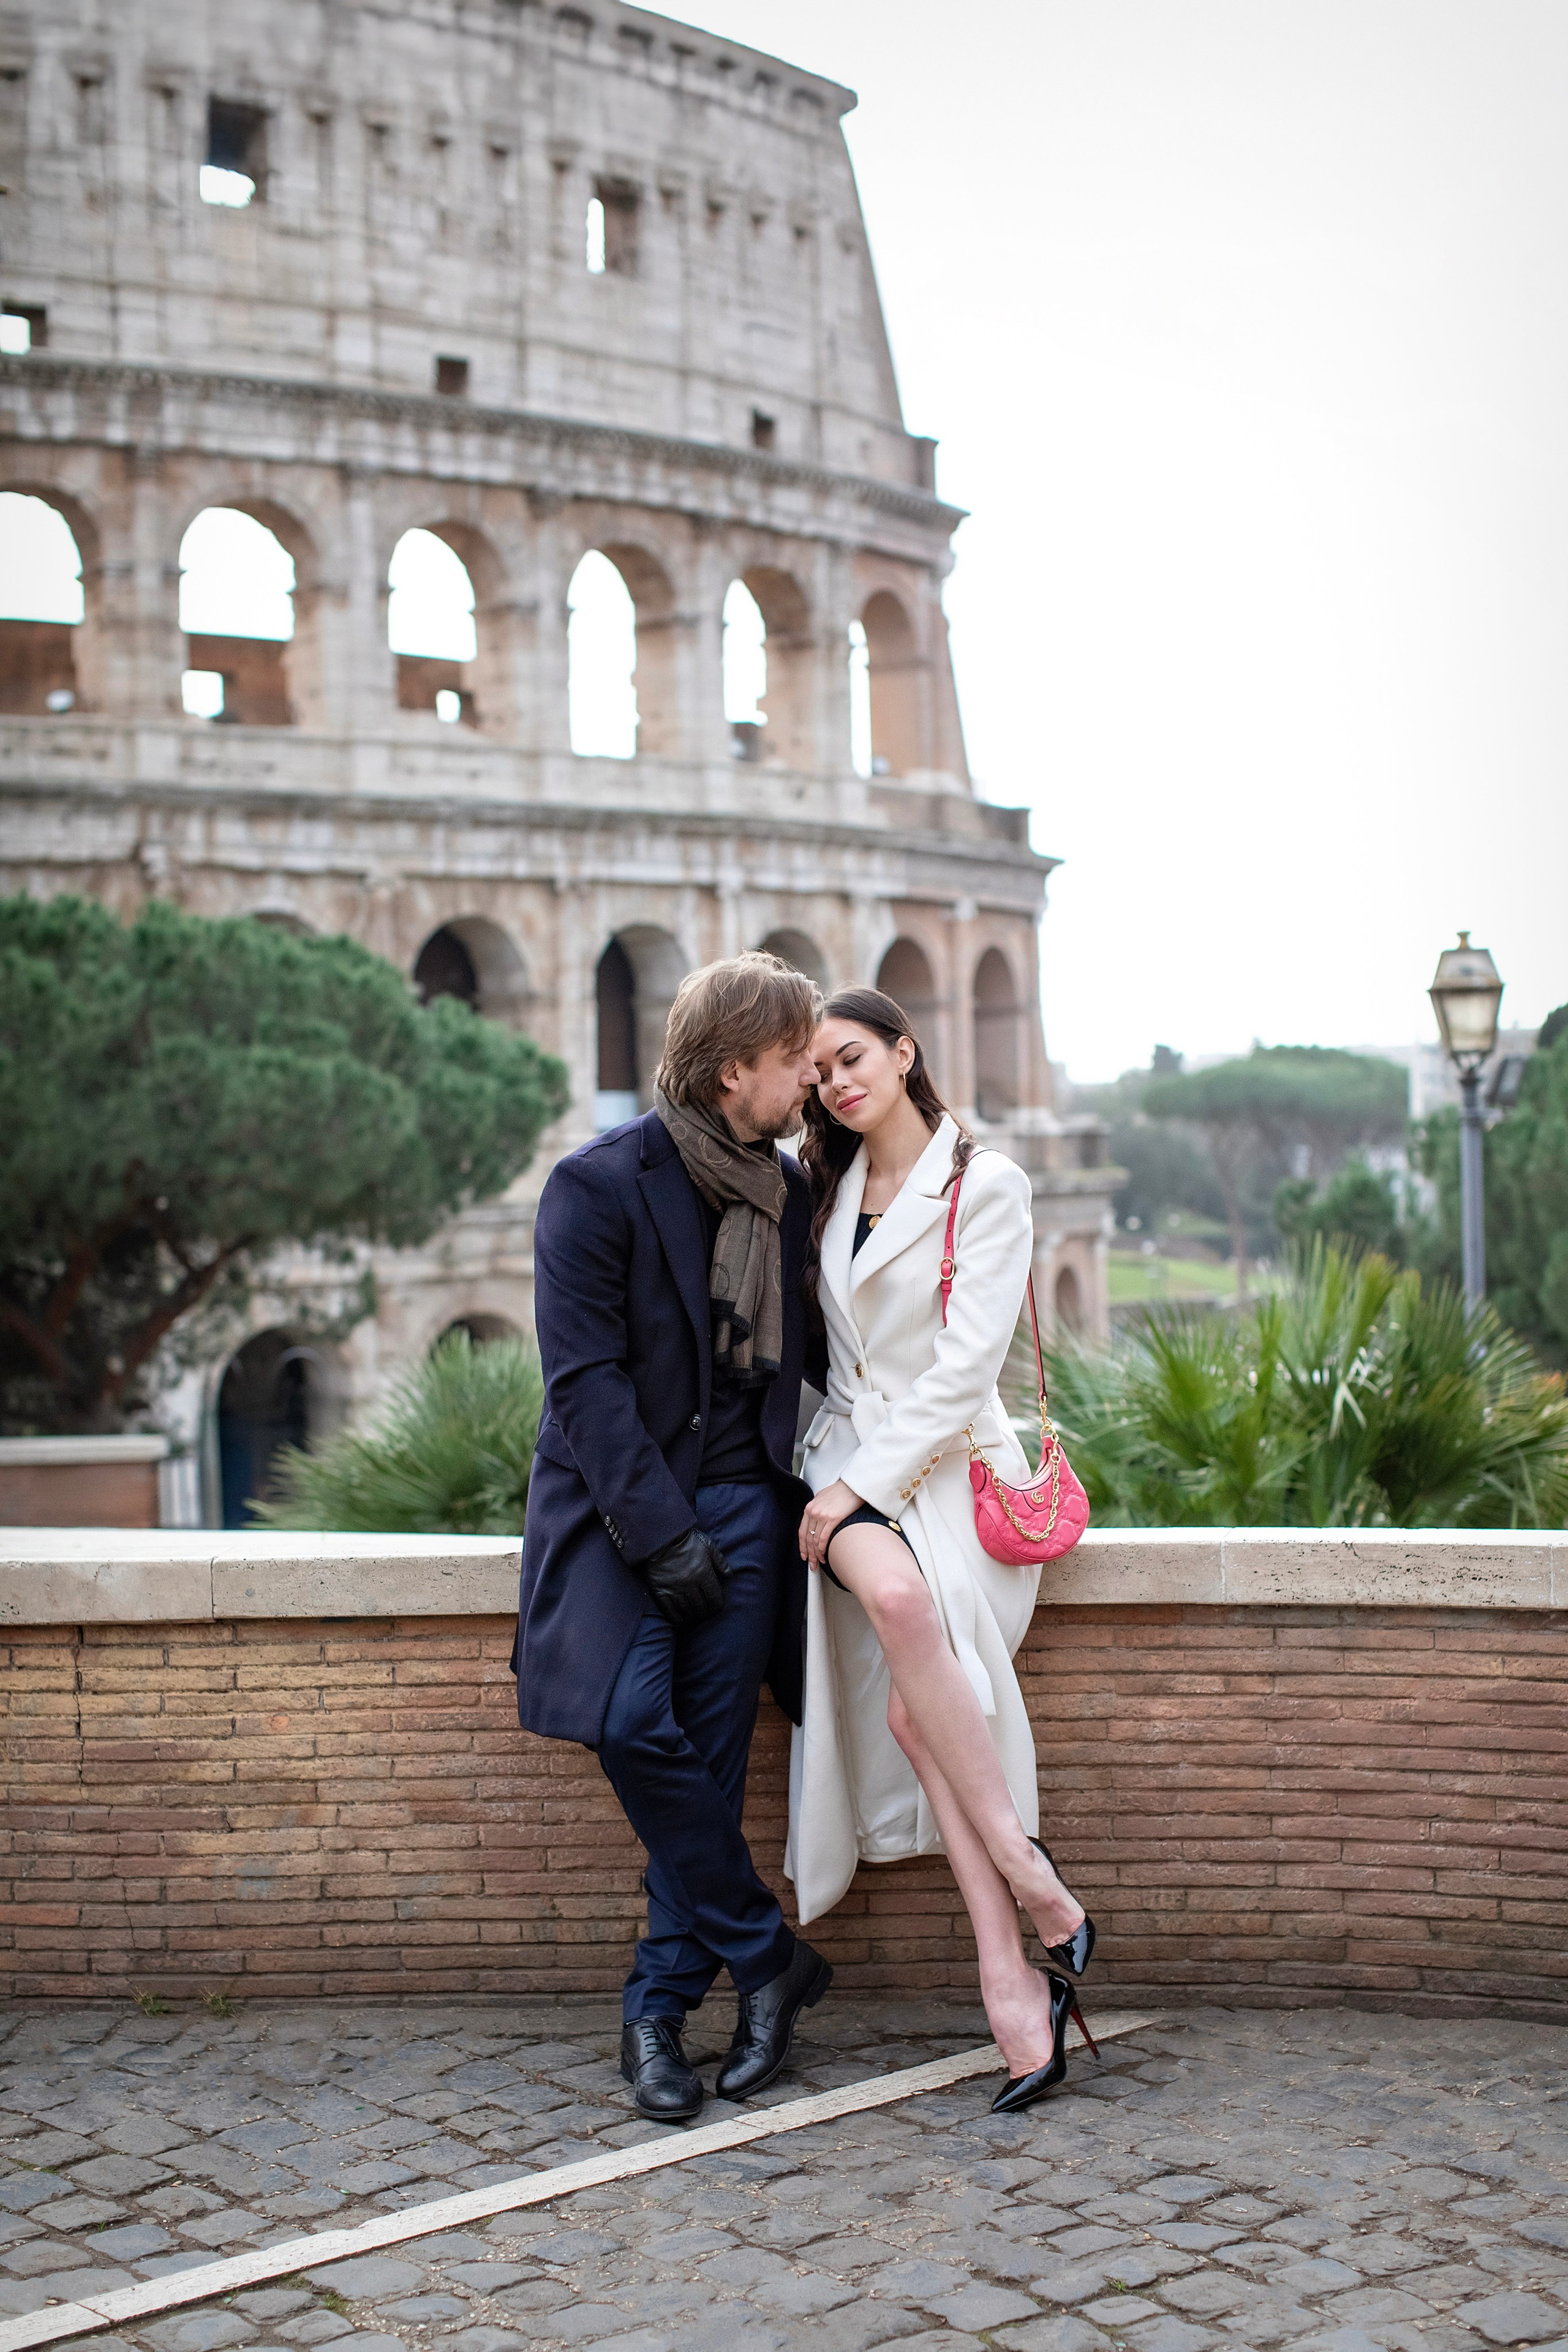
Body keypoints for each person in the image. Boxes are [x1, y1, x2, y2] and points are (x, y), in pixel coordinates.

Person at [514, 952, 834, 2124]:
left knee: (704, 1757)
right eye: (793, 1058)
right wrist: (658, 1535)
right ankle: (768, 1959)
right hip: (617, 1509)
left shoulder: (791, 1190)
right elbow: (585, 1384)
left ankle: (656, 2013)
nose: (808, 1077)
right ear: (729, 1069)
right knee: (630, 1722)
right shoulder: (595, 1186)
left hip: (748, 1500)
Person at [788, 987, 1097, 2113]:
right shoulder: (823, 1187)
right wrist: (840, 1483)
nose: (836, 1082)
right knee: (910, 1627)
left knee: (924, 1715)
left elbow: (968, 1371)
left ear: (905, 1050)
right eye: (819, 1071)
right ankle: (1036, 1885)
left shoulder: (988, 1181)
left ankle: (1012, 1974)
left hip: (951, 1478)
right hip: (844, 1465)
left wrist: (864, 1487)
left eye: (853, 1056)